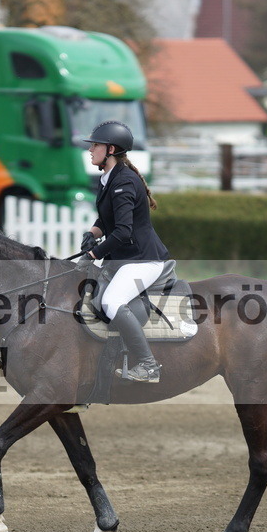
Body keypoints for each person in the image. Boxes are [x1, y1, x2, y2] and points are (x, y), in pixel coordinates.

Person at [79, 120, 170, 383]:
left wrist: (93, 255)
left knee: (112, 301)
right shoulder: (108, 178)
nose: (90, 150)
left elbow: (122, 232)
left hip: (143, 260)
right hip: (125, 259)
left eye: (94, 145)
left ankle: (148, 365)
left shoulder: (125, 182)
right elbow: (107, 222)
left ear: (110, 149)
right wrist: (92, 234)